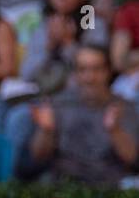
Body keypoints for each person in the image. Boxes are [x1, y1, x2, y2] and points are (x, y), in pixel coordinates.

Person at [20, 45, 139, 184]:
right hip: (64, 183)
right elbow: (38, 157)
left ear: (108, 71)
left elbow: (132, 158)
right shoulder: (59, 104)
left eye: (96, 69)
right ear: (75, 73)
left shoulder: (123, 106)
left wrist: (115, 130)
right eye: (83, 70)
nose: (89, 77)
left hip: (110, 184)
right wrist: (46, 130)